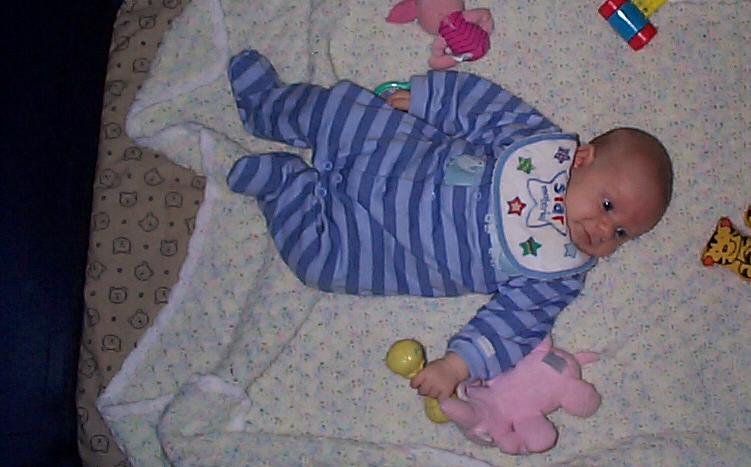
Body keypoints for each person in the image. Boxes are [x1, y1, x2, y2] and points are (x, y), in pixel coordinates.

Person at [224, 50, 673, 400]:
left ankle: (283, 187)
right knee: (336, 113)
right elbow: (486, 109)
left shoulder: (557, 274)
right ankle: (266, 107)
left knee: (320, 263)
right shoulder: (537, 148)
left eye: (622, 234)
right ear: (582, 159)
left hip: (381, 243)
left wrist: (458, 365)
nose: (604, 230)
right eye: (608, 205)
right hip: (394, 151)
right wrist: (429, 101)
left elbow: (514, 324)